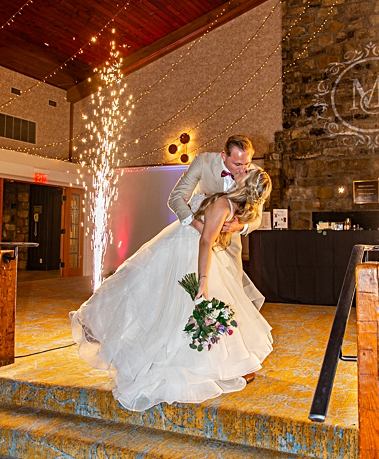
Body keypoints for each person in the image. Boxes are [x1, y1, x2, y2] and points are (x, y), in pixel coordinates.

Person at [70, 168, 274, 412]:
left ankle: (203, 363)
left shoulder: (225, 204)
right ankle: (103, 325)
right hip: (177, 246)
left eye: (245, 171)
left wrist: (203, 279)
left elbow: (207, 241)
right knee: (148, 292)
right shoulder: (223, 197)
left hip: (191, 252)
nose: (240, 170)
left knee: (179, 305)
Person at [168, 135, 264, 308]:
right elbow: (176, 198)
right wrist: (197, 224)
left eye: (246, 163)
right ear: (223, 156)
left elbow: (258, 217)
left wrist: (240, 226)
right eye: (237, 164)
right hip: (194, 239)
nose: (243, 170)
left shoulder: (253, 174)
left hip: (229, 244)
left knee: (231, 298)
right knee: (188, 292)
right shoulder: (203, 162)